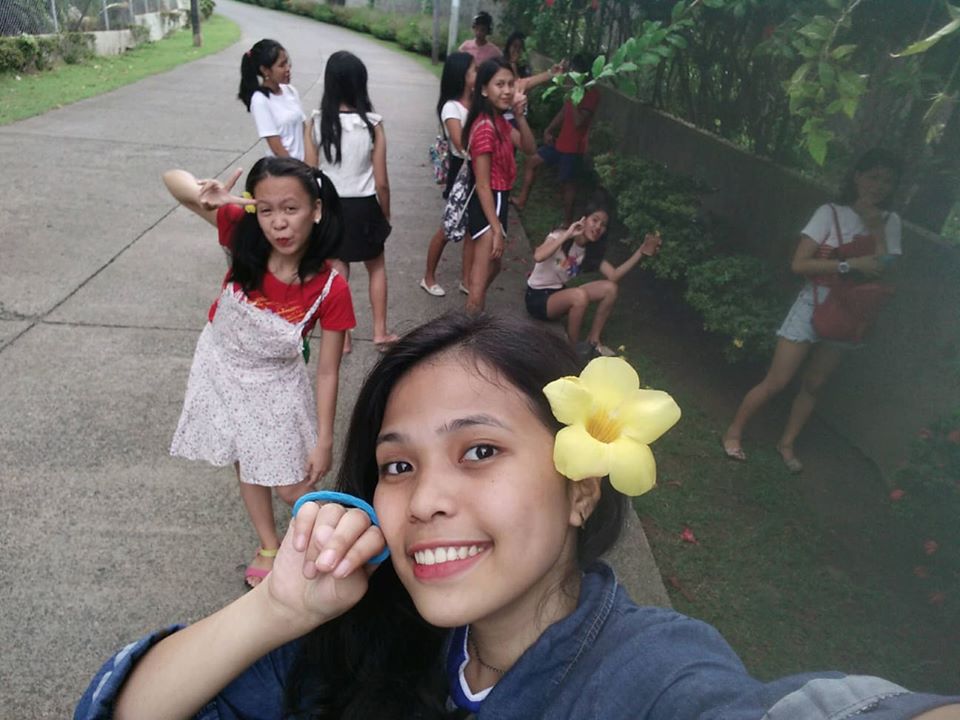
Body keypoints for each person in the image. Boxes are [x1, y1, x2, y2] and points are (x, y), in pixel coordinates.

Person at [77, 313, 959, 720]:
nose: (426, 499)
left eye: (480, 451)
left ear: (582, 488)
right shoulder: (369, 635)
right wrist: (277, 608)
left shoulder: (648, 673)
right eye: (397, 465)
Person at [160, 158, 356, 588]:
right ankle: (269, 545)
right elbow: (172, 180)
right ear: (252, 209)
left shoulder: (331, 287)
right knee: (245, 456)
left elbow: (328, 372)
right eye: (266, 210)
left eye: (291, 209)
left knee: (292, 487)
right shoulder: (239, 231)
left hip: (276, 383)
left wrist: (324, 439)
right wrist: (209, 196)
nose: (278, 223)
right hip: (222, 367)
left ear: (316, 210)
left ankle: (344, 535)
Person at [722, 149, 904, 472]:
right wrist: (850, 264)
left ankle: (787, 443)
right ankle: (734, 431)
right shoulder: (830, 213)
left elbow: (886, 268)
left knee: (815, 384)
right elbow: (799, 264)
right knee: (777, 380)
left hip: (853, 310)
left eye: (887, 181)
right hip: (814, 302)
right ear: (857, 177)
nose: (879, 186)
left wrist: (876, 228)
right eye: (873, 177)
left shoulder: (891, 222)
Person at [305, 50, 398, 353]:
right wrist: (385, 214)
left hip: (331, 205)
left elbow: (309, 173)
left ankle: (342, 338)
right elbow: (382, 182)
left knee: (337, 272)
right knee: (376, 267)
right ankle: (380, 332)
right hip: (364, 205)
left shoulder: (316, 123)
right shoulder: (372, 125)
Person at [526, 202, 662, 357]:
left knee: (610, 289)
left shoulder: (590, 251)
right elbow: (538, 256)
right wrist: (568, 234)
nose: (598, 227)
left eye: (603, 225)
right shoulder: (558, 236)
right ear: (584, 219)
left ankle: (594, 340)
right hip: (537, 298)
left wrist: (641, 251)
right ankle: (572, 351)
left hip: (559, 294)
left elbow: (614, 275)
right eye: (595, 220)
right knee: (579, 296)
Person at [463, 57, 536, 313]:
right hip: (490, 201)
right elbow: (482, 185)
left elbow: (529, 148)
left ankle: (472, 315)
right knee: (479, 281)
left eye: (510, 84)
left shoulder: (501, 121)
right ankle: (470, 328)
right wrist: (495, 229)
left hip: (498, 200)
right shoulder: (486, 127)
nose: (506, 91)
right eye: (499, 84)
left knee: (493, 266)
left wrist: (520, 116)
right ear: (484, 89)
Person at [513, 55, 601, 226]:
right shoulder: (574, 91)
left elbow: (579, 121)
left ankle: (567, 222)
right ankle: (522, 200)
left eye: (575, 71)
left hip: (574, 147)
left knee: (568, 184)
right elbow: (564, 111)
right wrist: (549, 129)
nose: (571, 74)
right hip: (560, 143)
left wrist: (574, 97)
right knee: (532, 161)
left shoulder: (592, 94)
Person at [419, 52, 477, 298]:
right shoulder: (451, 107)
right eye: (474, 70)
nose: (478, 74)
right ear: (461, 75)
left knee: (473, 229)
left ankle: (467, 280)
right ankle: (428, 277)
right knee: (447, 228)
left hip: (478, 172)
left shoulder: (477, 102)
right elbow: (460, 143)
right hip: (461, 173)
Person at [237, 39, 309, 161]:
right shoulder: (260, 100)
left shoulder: (290, 91)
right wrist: (299, 169)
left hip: (305, 165)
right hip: (285, 168)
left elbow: (305, 130)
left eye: (287, 62)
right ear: (265, 70)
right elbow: (277, 148)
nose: (287, 68)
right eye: (282, 65)